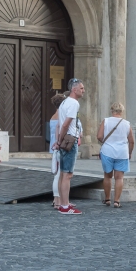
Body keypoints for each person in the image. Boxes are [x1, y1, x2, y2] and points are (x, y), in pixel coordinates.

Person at [53, 78, 85, 215]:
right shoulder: (73, 103)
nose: (83, 91)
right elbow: (65, 124)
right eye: (81, 88)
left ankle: (62, 203)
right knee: (68, 174)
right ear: (74, 89)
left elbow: (60, 124)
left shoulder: (64, 102)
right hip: (70, 140)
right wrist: (60, 140)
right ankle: (65, 206)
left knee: (62, 174)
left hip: (64, 139)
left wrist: (58, 140)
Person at [96, 102, 134, 208]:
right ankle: (117, 201)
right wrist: (130, 152)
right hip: (122, 152)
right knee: (119, 178)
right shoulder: (127, 124)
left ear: (111, 110)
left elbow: (99, 136)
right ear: (122, 111)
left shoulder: (106, 121)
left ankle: (107, 199)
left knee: (107, 176)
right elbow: (131, 141)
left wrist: (106, 142)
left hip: (107, 151)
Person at [49, 93, 67, 210]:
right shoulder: (61, 116)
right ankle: (57, 200)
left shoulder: (53, 116)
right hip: (59, 147)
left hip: (54, 147)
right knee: (59, 175)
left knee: (57, 174)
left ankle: (58, 199)